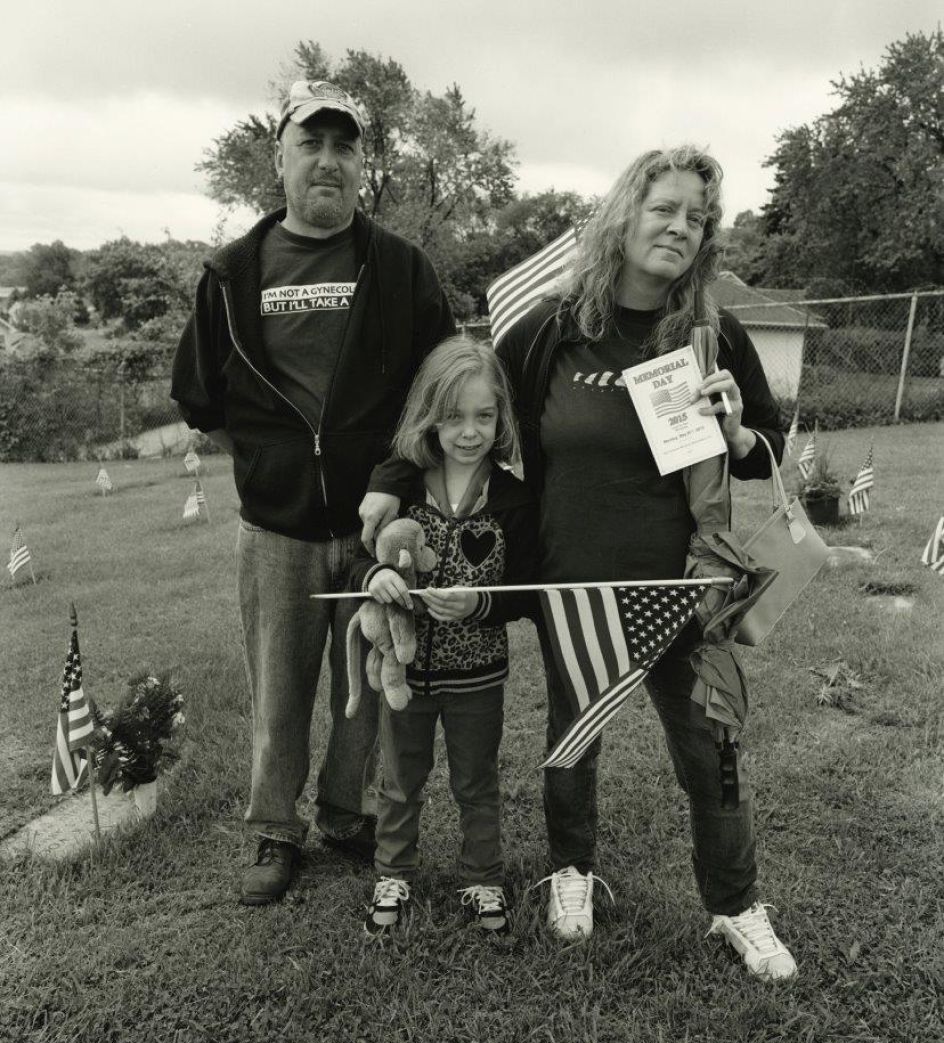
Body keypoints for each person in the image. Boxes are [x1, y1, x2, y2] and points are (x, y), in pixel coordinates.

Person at [363, 146, 797, 980]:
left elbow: (763, 449)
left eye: (697, 217)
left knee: (713, 756)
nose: (679, 226)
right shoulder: (550, 330)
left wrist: (740, 431)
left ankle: (736, 905)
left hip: (687, 589)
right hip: (575, 589)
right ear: (625, 214)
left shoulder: (712, 331)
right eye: (663, 207)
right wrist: (391, 477)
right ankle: (572, 871)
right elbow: (469, 417)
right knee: (573, 740)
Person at [170, 79, 454, 906]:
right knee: (279, 689)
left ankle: (345, 814)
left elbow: (440, 388)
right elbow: (203, 402)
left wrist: (393, 478)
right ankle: (273, 828)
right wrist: (272, 468)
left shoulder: (402, 269)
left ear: (363, 161)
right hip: (277, 530)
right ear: (280, 157)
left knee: (364, 684)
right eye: (311, 144)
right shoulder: (228, 275)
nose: (328, 161)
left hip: (380, 527)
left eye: (345, 146)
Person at [350, 336, 537, 936]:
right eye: (453, 416)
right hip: (403, 674)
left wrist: (480, 602)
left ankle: (482, 879)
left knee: (475, 781)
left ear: (502, 417)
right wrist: (376, 575)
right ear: (430, 415)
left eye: (484, 416)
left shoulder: (512, 498)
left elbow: (529, 587)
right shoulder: (403, 485)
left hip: (478, 673)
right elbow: (357, 562)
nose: (468, 432)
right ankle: (393, 871)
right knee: (400, 779)